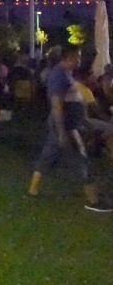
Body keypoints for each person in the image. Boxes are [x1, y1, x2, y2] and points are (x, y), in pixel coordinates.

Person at [27, 45, 111, 212]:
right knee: (81, 159)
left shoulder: (65, 74)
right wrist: (62, 132)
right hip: (67, 126)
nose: (79, 60)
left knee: (48, 156)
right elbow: (57, 105)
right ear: (69, 57)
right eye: (77, 57)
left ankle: (32, 190)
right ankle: (93, 201)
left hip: (69, 124)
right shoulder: (59, 76)